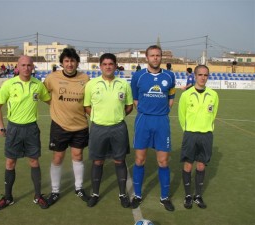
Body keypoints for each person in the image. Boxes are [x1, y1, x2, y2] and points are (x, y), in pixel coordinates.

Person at [0, 55, 51, 211]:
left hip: (31, 128)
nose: (26, 68)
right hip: (13, 129)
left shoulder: (38, 85)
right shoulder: (9, 84)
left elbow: (50, 101)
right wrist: (1, 127)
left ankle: (38, 196)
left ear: (33, 67)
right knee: (10, 162)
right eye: (23, 65)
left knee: (34, 162)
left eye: (29, 65)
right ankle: (8, 197)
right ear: (17, 67)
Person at [84, 53, 133, 208]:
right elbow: (86, 106)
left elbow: (129, 106)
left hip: (118, 128)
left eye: (111, 64)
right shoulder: (91, 84)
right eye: (104, 64)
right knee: (98, 161)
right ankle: (95, 194)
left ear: (115, 65)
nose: (108, 67)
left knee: (119, 161)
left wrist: (117, 116)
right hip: (98, 128)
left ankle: (122, 194)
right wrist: (99, 117)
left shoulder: (124, 84)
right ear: (100, 66)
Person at [130, 45, 176, 211]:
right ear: (146, 57)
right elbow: (135, 99)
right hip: (144, 120)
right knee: (140, 159)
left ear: (161, 57)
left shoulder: (170, 76)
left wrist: (163, 111)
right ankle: (138, 195)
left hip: (162, 121)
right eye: (152, 55)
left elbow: (171, 96)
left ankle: (164, 197)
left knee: (163, 161)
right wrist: (146, 111)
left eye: (158, 55)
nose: (155, 58)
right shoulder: (138, 76)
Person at [43, 48, 90, 206]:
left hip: (80, 125)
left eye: (72, 61)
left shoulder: (86, 79)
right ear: (62, 63)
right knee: (58, 158)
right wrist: (53, 105)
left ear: (77, 62)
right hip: (59, 125)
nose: (70, 64)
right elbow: (43, 93)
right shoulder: (52, 78)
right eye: (66, 61)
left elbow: (89, 101)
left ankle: (79, 188)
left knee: (78, 156)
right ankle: (55, 191)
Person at [178, 65, 219, 209]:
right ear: (194, 76)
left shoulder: (213, 95)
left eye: (205, 75)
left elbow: (213, 114)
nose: (202, 77)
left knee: (201, 165)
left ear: (208, 76)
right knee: (188, 164)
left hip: (206, 135)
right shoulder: (186, 95)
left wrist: (206, 128)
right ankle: (188, 195)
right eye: (200, 74)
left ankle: (198, 196)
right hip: (190, 134)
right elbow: (181, 115)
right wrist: (188, 130)